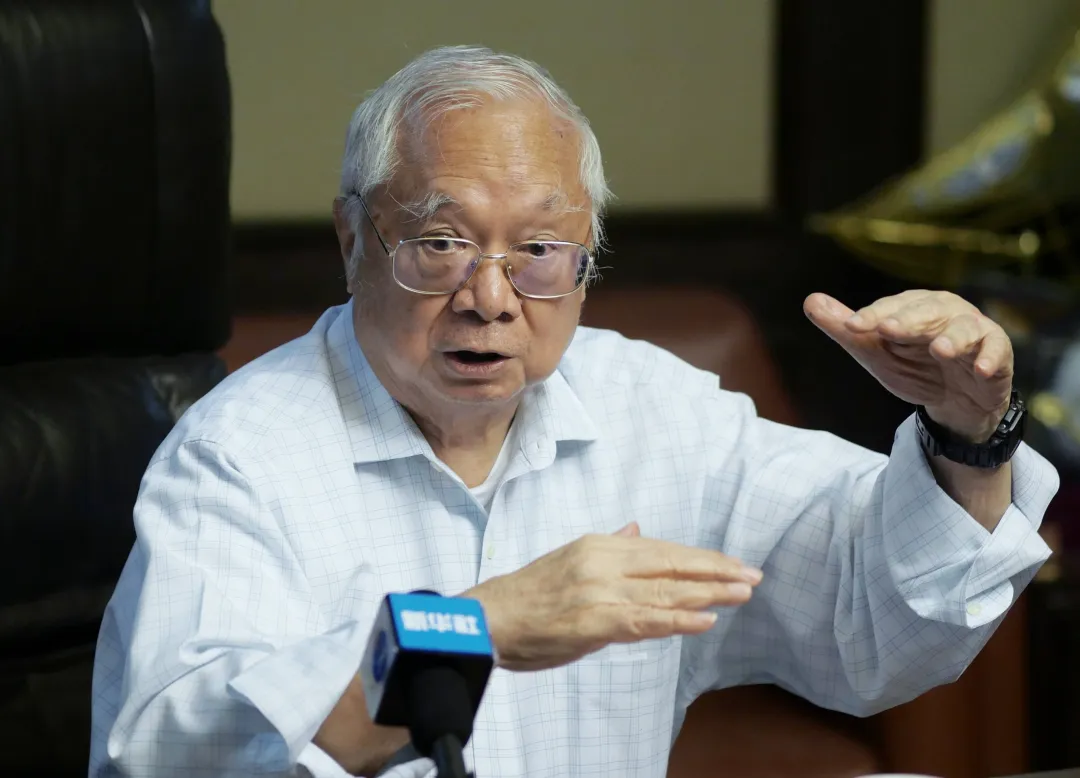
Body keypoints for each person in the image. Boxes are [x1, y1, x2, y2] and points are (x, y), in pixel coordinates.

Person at [89, 45, 1058, 778]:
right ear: (353, 239)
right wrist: (472, 628)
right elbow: (172, 754)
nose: (491, 298)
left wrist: (968, 438)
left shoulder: (654, 410)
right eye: (441, 242)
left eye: (541, 251)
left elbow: (876, 619)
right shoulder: (241, 452)